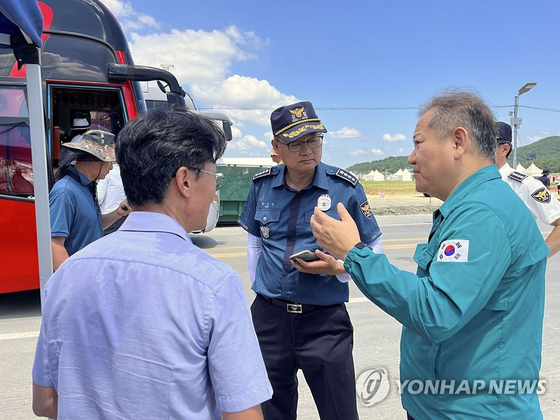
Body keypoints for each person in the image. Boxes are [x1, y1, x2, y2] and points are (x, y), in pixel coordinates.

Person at [311, 91, 548, 419]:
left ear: (458, 141)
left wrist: (355, 252)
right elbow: (443, 292)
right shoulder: (474, 205)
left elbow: (437, 312)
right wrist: (347, 261)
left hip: (474, 410)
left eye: (418, 143)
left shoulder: (482, 213)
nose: (411, 158)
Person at [33, 108, 272, 420]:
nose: (215, 190)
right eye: (215, 177)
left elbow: (45, 404)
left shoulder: (65, 278)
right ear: (184, 180)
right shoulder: (213, 283)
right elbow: (243, 414)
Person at [238, 101, 383, 420]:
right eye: (296, 143)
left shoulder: (345, 188)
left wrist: (340, 268)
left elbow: (374, 251)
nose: (307, 150)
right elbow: (254, 242)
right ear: (277, 147)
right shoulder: (262, 185)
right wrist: (264, 291)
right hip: (269, 320)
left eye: (314, 140)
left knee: (338, 410)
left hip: (324, 323)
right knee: (270, 408)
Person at [49, 130, 129, 270]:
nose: (111, 167)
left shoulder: (87, 186)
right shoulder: (65, 192)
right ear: (94, 161)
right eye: (108, 162)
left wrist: (118, 213)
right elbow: (54, 244)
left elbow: (92, 226)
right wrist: (73, 281)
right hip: (79, 276)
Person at [496, 121, 560, 257]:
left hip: (511, 274)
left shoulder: (523, 185)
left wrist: (536, 260)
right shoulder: (473, 182)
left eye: (485, 145)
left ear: (504, 149)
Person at [97, 162, 128, 235]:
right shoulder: (128, 172)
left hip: (107, 218)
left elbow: (99, 197)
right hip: (123, 217)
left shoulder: (107, 173)